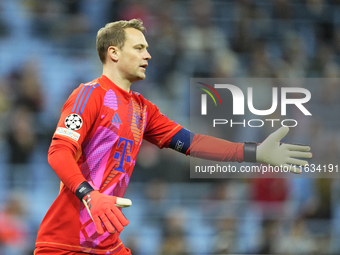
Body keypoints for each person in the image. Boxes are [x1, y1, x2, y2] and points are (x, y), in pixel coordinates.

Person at [34, 19, 312, 255]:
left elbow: (193, 143)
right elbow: (58, 152)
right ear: (114, 53)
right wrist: (90, 195)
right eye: (139, 48)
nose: (148, 55)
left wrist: (254, 152)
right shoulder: (90, 94)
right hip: (65, 241)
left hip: (105, 242)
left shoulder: (142, 109)